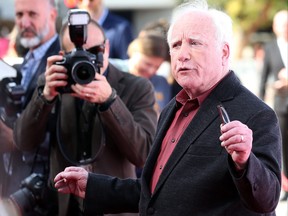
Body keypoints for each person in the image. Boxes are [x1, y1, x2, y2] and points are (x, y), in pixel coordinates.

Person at [54, 1, 282, 215]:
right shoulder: (172, 108)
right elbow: (155, 192)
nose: (182, 54)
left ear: (224, 52)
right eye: (176, 45)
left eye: (194, 43)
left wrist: (245, 162)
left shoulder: (256, 113)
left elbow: (267, 199)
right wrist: (93, 186)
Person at [14, 13, 157, 216]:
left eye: (93, 52)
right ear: (63, 55)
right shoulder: (54, 83)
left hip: (113, 207)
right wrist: (44, 97)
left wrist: (110, 101)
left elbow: (145, 154)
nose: (87, 59)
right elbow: (24, 142)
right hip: (63, 206)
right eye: (77, 54)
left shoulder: (137, 87)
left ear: (106, 48)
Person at [0, 0, 60, 211]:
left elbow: (66, 131)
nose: (24, 22)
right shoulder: (26, 59)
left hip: (49, 192)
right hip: (18, 186)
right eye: (19, 15)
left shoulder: (64, 61)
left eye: (32, 14)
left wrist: (14, 137)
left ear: (52, 16)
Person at [259, 9, 288, 201]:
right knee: (283, 148)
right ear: (275, 27)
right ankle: (286, 186)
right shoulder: (269, 48)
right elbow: (263, 78)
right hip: (281, 105)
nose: (285, 28)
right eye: (282, 24)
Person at [111, 35, 171, 116]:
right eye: (147, 64)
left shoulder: (160, 82)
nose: (151, 71)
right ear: (134, 53)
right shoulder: (111, 68)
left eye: (157, 67)